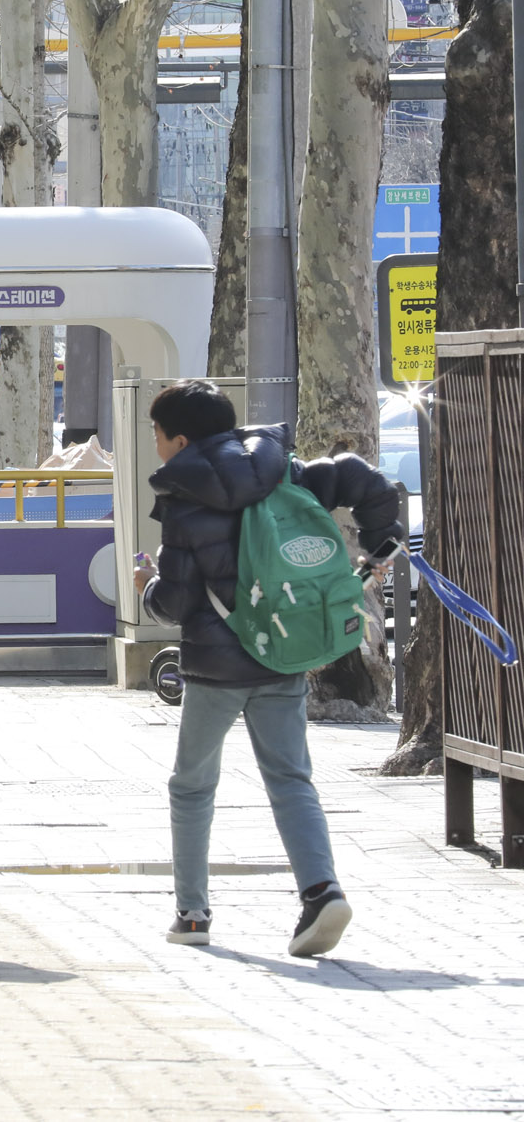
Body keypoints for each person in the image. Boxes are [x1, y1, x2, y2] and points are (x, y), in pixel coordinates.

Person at [133, 379, 401, 956]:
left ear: (179, 440)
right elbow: (363, 478)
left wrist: (147, 586)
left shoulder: (183, 496)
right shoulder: (282, 468)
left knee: (192, 784)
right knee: (290, 779)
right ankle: (321, 892)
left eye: (156, 435)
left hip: (214, 668)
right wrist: (382, 547)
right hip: (284, 653)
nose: (155, 446)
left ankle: (193, 912)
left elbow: (176, 601)